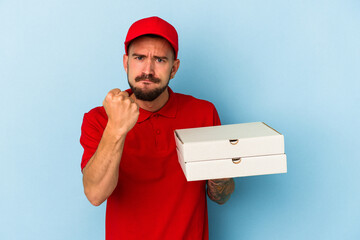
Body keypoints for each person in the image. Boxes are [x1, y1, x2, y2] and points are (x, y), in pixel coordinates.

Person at [80, 16, 235, 240]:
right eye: (140, 57)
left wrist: (220, 179)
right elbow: (95, 195)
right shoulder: (99, 118)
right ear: (126, 62)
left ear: (174, 68)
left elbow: (221, 196)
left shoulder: (203, 113)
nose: (148, 70)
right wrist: (116, 128)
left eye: (160, 60)